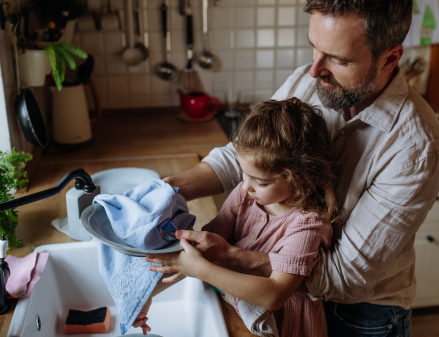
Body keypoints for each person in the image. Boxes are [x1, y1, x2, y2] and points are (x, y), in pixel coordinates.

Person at [152, 0, 439, 336]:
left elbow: (343, 275)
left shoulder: (415, 147)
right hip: (282, 290)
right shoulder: (310, 83)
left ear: (390, 58)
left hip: (361, 315)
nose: (314, 70)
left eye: (338, 59)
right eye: (314, 49)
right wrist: (169, 188)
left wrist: (235, 258)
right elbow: (246, 157)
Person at [145, 98, 339, 336]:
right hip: (235, 312)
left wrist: (199, 269)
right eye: (243, 174)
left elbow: (274, 295)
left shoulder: (306, 226)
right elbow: (206, 243)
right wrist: (146, 298)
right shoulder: (245, 195)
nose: (246, 186)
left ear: (301, 179)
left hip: (287, 325)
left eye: (261, 181)